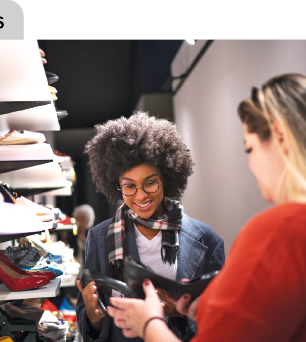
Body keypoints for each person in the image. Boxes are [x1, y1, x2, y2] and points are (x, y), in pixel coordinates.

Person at [107, 73, 306, 342]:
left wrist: (149, 323)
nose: (251, 164)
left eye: (250, 148)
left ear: (279, 136)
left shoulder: (281, 232)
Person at [75, 112, 225, 342]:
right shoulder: (99, 237)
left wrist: (179, 312)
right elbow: (89, 323)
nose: (141, 195)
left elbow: (221, 319)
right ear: (116, 185)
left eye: (150, 182)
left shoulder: (207, 240)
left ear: (165, 176)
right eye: (129, 186)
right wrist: (94, 317)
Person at [72, 204, 96, 272]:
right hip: (75, 269)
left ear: (88, 219)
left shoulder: (93, 234)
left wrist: (86, 244)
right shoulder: (73, 232)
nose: (79, 221)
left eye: (82, 218)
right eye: (77, 218)